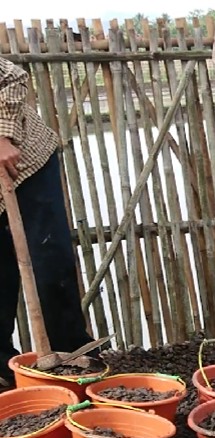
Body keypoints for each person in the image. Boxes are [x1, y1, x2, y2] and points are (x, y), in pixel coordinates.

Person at [0, 57, 95, 391]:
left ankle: (70, 354)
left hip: (24, 163)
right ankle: (6, 373)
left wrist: (2, 136)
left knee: (49, 259)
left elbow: (10, 75)